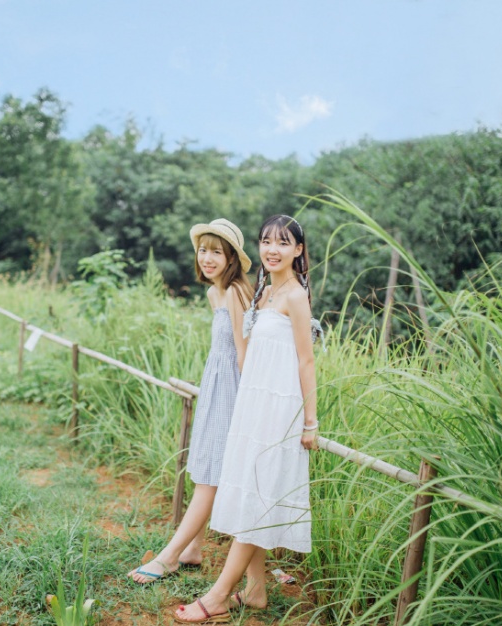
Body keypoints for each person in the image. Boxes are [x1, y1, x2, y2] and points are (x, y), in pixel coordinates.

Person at [174, 214, 319, 624]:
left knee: (256, 497)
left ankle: (218, 594)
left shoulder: (294, 296)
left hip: (279, 409)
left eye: (283, 242)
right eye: (266, 241)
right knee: (247, 493)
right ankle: (255, 591)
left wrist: (311, 421)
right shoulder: (261, 294)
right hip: (252, 406)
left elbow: (307, 361)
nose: (272, 249)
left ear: (298, 250)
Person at [128, 218, 254, 584]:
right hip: (215, 386)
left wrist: (247, 408)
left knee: (211, 476)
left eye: (217, 251)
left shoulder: (235, 293)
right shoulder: (215, 293)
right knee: (204, 463)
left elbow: (244, 355)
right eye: (203, 250)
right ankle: (194, 548)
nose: (208, 258)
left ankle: (167, 558)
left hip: (232, 391)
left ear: (232, 256)